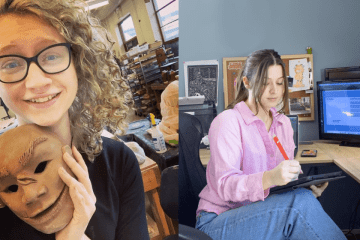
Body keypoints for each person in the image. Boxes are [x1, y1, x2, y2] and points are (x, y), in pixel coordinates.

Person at [0, 0, 149, 239]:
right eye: (11, 63)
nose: (37, 82)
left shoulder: (119, 163)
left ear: (78, 63)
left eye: (51, 56)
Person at [195, 49, 346, 240]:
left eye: (280, 83)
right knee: (296, 208)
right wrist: (269, 177)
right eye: (265, 83)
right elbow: (225, 186)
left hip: (260, 213)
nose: (274, 90)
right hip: (218, 221)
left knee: (304, 198)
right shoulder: (227, 121)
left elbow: (282, 183)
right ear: (247, 82)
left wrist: (304, 188)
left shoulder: (283, 124)